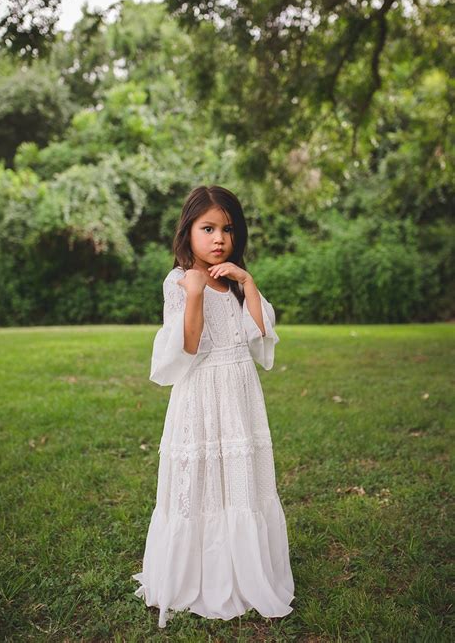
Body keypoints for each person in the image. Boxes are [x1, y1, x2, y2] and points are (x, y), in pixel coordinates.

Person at [132, 185, 294, 627]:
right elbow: (185, 347)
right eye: (208, 228)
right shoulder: (179, 282)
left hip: (239, 397)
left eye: (228, 229)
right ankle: (196, 573)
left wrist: (248, 281)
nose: (219, 238)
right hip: (201, 395)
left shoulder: (238, 284)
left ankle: (246, 572)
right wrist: (196, 291)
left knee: (239, 479)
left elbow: (261, 339)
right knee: (201, 476)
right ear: (189, 232)